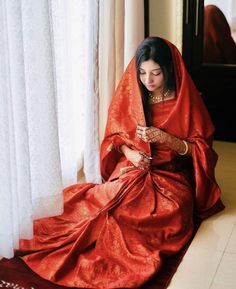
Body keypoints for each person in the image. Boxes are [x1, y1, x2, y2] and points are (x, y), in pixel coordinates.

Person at [15, 37, 224, 288]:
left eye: (156, 73)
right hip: (132, 169)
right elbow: (114, 138)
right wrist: (131, 154)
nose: (148, 81)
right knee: (104, 204)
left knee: (166, 216)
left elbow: (202, 151)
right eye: (143, 73)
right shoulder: (133, 94)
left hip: (171, 177)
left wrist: (167, 139)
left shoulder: (185, 100)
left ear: (168, 70)